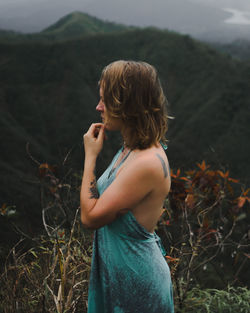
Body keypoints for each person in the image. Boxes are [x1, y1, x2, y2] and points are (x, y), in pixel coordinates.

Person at [80, 60, 174, 313]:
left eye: (105, 100)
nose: (98, 107)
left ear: (127, 105)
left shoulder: (147, 164)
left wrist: (90, 157)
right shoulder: (130, 148)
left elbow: (90, 218)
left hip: (138, 286)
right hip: (122, 278)